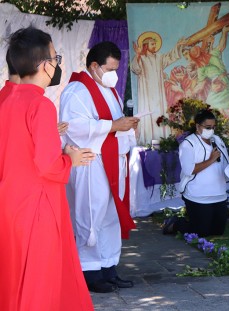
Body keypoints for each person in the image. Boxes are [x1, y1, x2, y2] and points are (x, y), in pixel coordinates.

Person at [0, 26, 95, 311]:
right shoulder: (40, 105)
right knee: (42, 280)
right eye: (56, 57)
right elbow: (48, 166)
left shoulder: (5, 98)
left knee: (12, 277)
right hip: (37, 206)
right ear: (44, 65)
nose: (57, 63)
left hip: (9, 204)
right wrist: (71, 159)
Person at [60, 41, 139, 293]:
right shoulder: (76, 90)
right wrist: (114, 126)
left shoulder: (111, 91)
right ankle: (89, 271)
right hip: (90, 162)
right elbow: (74, 127)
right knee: (89, 216)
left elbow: (115, 125)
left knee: (108, 217)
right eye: (110, 68)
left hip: (112, 162)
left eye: (117, 68)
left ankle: (108, 267)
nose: (114, 74)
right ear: (94, 66)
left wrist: (127, 126)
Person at [162, 109, 229, 237]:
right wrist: (211, 159)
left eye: (213, 127)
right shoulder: (188, 144)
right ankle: (175, 224)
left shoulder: (217, 140)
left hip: (219, 194)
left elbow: (225, 162)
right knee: (201, 232)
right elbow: (190, 170)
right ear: (198, 126)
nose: (211, 130)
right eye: (208, 127)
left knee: (217, 232)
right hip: (197, 195)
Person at [131, 32, 186, 144]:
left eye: (155, 44)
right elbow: (135, 69)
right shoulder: (140, 58)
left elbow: (171, 56)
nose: (154, 46)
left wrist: (178, 46)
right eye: (152, 44)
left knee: (160, 113)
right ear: (146, 45)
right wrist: (137, 55)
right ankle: (148, 140)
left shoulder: (159, 58)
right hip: (147, 94)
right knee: (148, 116)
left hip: (158, 93)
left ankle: (163, 139)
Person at [187, 26, 229, 134]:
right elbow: (201, 84)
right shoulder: (201, 68)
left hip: (224, 84)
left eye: (196, 50)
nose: (195, 52)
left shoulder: (213, 54)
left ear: (200, 51)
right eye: (193, 53)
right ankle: (224, 133)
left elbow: (221, 46)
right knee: (213, 109)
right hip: (216, 87)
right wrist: (193, 93)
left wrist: (224, 32)